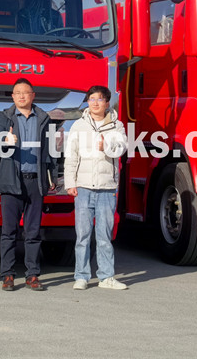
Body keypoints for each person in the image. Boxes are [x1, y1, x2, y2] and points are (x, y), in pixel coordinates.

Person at [0, 78, 59, 291]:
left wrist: (53, 177)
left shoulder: (44, 119)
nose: (21, 96)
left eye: (25, 92)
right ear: (13, 97)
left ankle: (32, 275)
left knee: (33, 232)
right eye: (17, 92)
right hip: (12, 181)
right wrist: (5, 141)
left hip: (35, 182)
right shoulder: (5, 117)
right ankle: (8, 275)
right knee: (8, 232)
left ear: (33, 95)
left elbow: (51, 152)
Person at [64, 85, 128, 291]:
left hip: (107, 188)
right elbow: (71, 156)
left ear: (107, 103)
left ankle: (106, 277)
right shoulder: (78, 126)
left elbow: (121, 149)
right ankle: (81, 276)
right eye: (91, 99)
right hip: (83, 188)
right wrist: (70, 183)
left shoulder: (116, 126)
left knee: (104, 235)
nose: (95, 103)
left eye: (99, 99)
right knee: (82, 235)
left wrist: (106, 147)